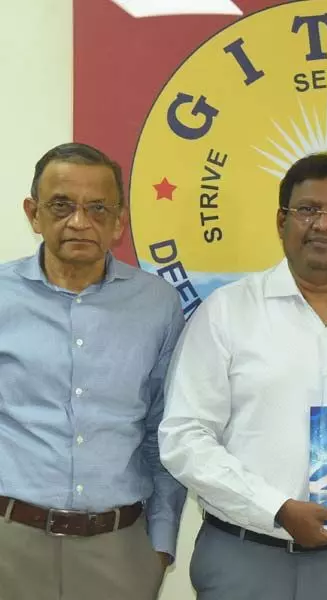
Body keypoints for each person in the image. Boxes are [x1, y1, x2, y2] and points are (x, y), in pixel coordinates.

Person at [159, 153, 327, 600]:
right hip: (243, 556)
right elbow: (184, 436)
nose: (323, 224)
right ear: (282, 220)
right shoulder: (226, 311)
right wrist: (278, 510)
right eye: (307, 210)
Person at [0, 142, 186, 599]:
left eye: (97, 208)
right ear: (33, 213)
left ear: (119, 220)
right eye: (61, 205)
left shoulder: (157, 304)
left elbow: (166, 431)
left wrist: (159, 546)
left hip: (119, 550)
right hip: (10, 544)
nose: (79, 222)